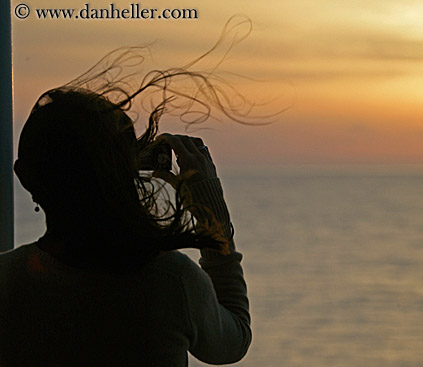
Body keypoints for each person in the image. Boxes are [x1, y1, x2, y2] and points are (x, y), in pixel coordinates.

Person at [0, 36, 253, 366]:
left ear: (24, 176)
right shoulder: (170, 282)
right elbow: (232, 343)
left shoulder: (6, 283)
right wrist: (212, 217)